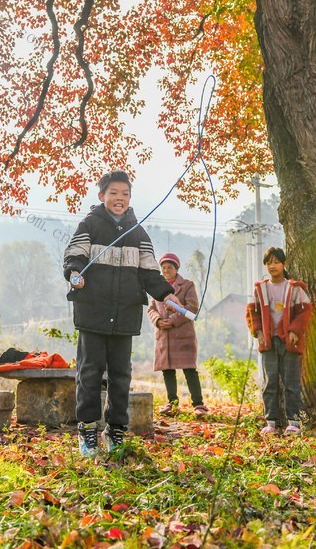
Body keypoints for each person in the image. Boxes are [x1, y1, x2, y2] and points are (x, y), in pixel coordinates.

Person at [64, 171, 175, 457]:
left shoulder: (137, 232)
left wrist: (167, 294)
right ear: (102, 196)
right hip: (92, 312)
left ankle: (115, 431)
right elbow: (74, 255)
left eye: (125, 194)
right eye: (113, 193)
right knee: (89, 373)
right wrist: (75, 273)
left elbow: (150, 271)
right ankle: (87, 432)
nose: (119, 198)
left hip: (125, 314)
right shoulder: (89, 224)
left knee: (121, 375)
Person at [246, 247, 312, 436]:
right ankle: (271, 422)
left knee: (291, 382)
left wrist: (294, 330)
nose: (272, 266)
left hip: (289, 341)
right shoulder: (261, 288)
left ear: (284, 264)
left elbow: (305, 311)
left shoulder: (294, 288)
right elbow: (252, 312)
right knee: (270, 382)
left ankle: (293, 422)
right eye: (268, 263)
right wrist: (257, 331)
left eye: (276, 262)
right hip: (268, 341)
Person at [147, 253, 207, 416]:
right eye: (163, 268)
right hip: (164, 335)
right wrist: (158, 320)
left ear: (176, 269)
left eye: (170, 268)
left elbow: (192, 308)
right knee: (167, 370)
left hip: (182, 334)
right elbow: (151, 308)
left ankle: (198, 404)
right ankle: (172, 403)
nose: (166, 271)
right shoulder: (157, 287)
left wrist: (173, 320)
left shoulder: (187, 285)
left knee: (189, 369)